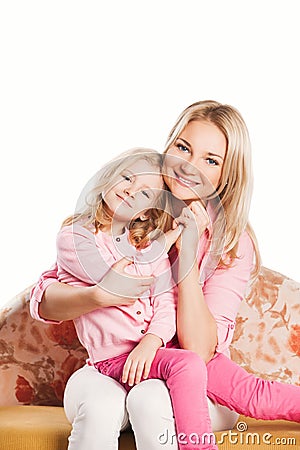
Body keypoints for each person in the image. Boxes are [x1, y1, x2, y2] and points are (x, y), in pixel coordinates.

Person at [30, 101, 300, 450]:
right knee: (117, 401)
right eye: (183, 147)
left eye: (211, 160)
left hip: (189, 368)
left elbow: (199, 351)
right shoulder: (135, 208)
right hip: (123, 366)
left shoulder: (231, 241)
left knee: (162, 398)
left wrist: (186, 254)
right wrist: (98, 296)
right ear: (168, 145)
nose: (188, 166)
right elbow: (49, 291)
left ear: (226, 175)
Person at [48, 146, 222, 450]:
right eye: (126, 177)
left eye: (144, 193)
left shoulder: (146, 249)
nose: (130, 190)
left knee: (201, 371)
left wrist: (152, 340)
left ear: (145, 213)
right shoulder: (76, 236)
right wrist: (166, 241)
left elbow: (166, 303)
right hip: (108, 359)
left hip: (145, 355)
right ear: (108, 178)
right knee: (179, 369)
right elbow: (113, 277)